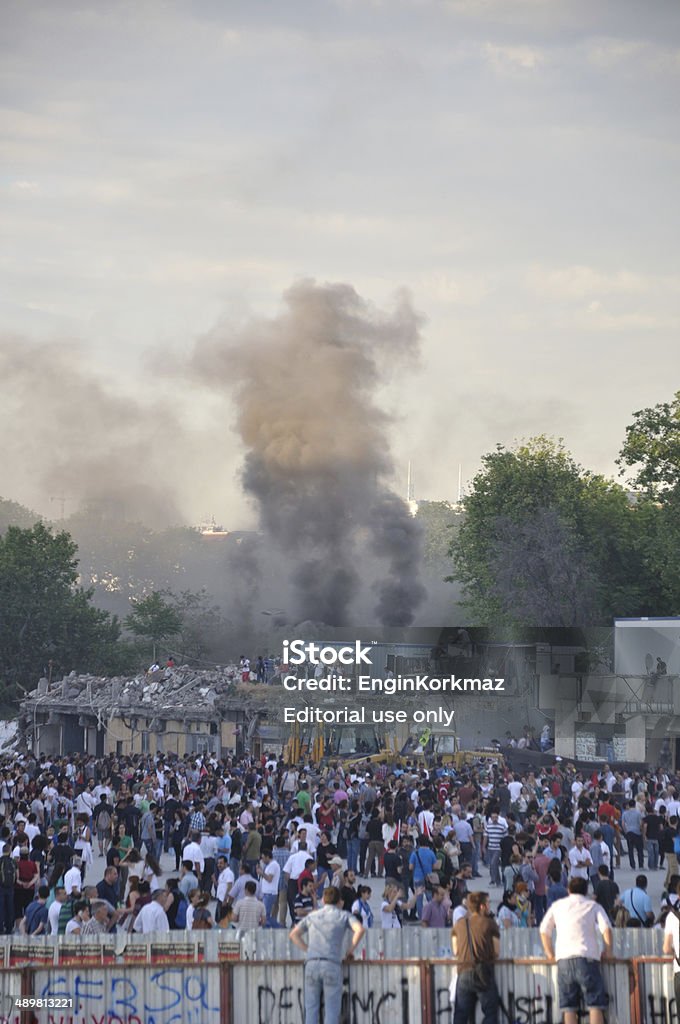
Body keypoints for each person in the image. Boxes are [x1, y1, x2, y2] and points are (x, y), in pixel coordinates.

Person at [539, 877, 612, 1024]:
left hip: (563, 958)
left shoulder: (558, 906)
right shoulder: (592, 906)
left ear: (568, 890)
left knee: (569, 1006)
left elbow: (544, 930)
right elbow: (607, 929)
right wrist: (608, 951)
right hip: (587, 957)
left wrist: (549, 953)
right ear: (586, 891)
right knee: (595, 1004)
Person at [289, 886, 365, 1024]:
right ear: (340, 902)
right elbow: (359, 929)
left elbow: (293, 934)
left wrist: (308, 949)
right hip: (331, 964)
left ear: (323, 900)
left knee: (311, 1010)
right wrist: (349, 951)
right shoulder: (343, 915)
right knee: (331, 1012)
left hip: (312, 963)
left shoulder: (313, 915)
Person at [451, 890, 501, 1024]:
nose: (490, 906)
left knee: (461, 1014)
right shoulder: (490, 923)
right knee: (490, 1011)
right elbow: (496, 951)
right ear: (482, 906)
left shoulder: (459, 925)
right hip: (483, 971)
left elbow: (456, 951)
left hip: (463, 972)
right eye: (488, 903)